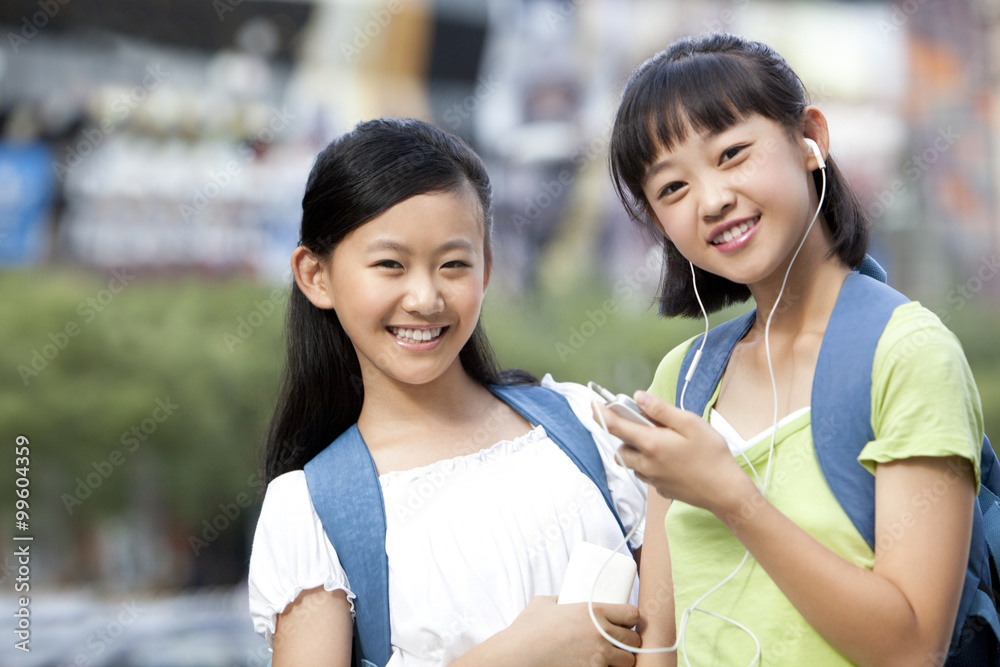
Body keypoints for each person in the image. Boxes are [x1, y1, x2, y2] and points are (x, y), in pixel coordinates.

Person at [595, 33, 984, 666]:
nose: (713, 200)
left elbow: (912, 649)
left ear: (811, 139)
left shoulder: (908, 354)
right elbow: (660, 642)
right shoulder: (685, 377)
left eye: (733, 153)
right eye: (672, 188)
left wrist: (733, 497)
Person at [247, 117, 646, 667]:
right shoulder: (311, 512)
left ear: (486, 272)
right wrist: (518, 656)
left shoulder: (590, 428)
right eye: (390, 265)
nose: (425, 298)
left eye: (453, 264)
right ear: (316, 275)